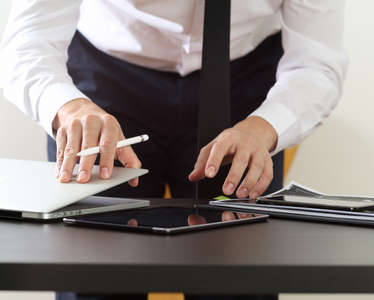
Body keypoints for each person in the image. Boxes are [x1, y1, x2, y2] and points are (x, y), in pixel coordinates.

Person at [0, 0, 347, 299]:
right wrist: (69, 107)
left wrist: (266, 127)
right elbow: (27, 41)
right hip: (105, 81)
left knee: (239, 276)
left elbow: (316, 62)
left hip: (245, 87)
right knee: (93, 273)